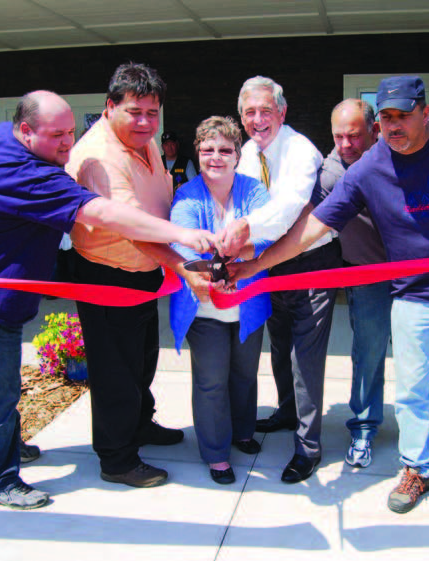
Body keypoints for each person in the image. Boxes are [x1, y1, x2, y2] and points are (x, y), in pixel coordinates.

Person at [227, 76, 429, 520]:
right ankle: (417, 468)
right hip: (413, 297)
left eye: (403, 115)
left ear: (425, 110)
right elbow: (313, 229)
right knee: (412, 393)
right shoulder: (367, 167)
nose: (395, 125)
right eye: (387, 117)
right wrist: (254, 264)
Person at [0, 90, 214, 510]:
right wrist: (181, 236)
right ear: (25, 130)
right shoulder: (27, 175)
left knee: (2, 386)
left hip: (5, 294)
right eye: (58, 136)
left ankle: (6, 447)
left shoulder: (0, 135)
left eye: (71, 132)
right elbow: (103, 214)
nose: (69, 145)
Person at [66, 63, 208, 489]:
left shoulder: (142, 144)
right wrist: (183, 265)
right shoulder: (102, 159)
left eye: (153, 111)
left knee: (141, 359)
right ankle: (117, 458)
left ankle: (140, 425)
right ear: (110, 108)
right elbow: (129, 225)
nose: (146, 122)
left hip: (142, 272)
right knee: (115, 371)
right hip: (107, 275)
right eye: (135, 111)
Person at [220, 76, 341, 484]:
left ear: (282, 112)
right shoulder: (249, 154)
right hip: (270, 262)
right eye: (249, 112)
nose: (257, 120)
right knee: (280, 345)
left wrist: (242, 231)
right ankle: (287, 412)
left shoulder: (300, 149)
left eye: (265, 111)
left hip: (310, 261)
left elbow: (289, 206)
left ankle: (308, 448)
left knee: (304, 357)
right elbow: (242, 200)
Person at [169, 116, 272, 484]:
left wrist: (237, 257)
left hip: (247, 302)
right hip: (203, 305)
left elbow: (268, 233)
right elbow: (179, 241)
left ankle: (243, 431)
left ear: (237, 155)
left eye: (225, 150)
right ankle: (215, 452)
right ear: (198, 152)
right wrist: (205, 270)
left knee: (244, 374)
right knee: (212, 380)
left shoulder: (255, 191)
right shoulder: (186, 194)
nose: (216, 157)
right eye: (208, 149)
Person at [308, 99, 391, 468]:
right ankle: (363, 427)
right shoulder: (329, 174)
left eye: (354, 136)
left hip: (414, 277)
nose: (346, 145)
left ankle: (419, 428)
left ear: (373, 131)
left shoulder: (397, 158)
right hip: (367, 275)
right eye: (339, 136)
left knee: (415, 356)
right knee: (368, 353)